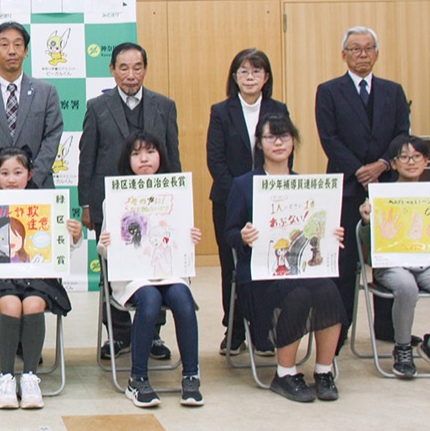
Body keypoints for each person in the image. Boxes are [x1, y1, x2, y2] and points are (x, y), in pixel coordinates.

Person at [0, 21, 64, 363]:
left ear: (26, 50)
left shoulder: (46, 92)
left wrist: (30, 180)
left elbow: (52, 137)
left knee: (33, 265)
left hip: (36, 196)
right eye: (4, 44)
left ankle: (28, 344)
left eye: (18, 44)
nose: (11, 50)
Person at [225, 113, 347, 403]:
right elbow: (228, 233)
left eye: (284, 136)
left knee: (330, 291)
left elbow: (316, 228)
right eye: (271, 137)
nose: (278, 143)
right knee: (298, 295)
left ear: (293, 142)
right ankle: (285, 373)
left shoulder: (305, 186)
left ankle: (324, 371)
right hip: (260, 274)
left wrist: (332, 234)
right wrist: (243, 236)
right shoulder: (244, 184)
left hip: (303, 269)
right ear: (259, 143)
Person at [0, 146, 82, 410]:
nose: (11, 179)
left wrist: (74, 236)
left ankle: (30, 377)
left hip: (37, 276)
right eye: (4, 173)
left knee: (33, 304)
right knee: (12, 305)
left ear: (30, 174)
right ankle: (5, 378)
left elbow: (60, 251)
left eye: (17, 172)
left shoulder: (45, 203)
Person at [79, 42, 179, 361]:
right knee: (112, 270)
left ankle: (153, 335)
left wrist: (178, 202)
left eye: (137, 67)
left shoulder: (164, 106)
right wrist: (86, 205)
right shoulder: (97, 107)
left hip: (156, 207)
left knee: (157, 266)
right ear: (112, 70)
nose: (131, 74)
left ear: (145, 69)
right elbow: (87, 158)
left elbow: (172, 157)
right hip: (110, 206)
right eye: (123, 67)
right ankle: (119, 335)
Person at [315, 26, 411, 346]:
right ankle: (339, 329)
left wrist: (383, 163)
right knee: (344, 262)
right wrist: (359, 170)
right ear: (344, 55)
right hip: (346, 186)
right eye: (355, 49)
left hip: (386, 185)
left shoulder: (393, 91)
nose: (363, 55)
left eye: (369, 48)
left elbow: (402, 132)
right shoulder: (328, 91)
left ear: (377, 54)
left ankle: (387, 328)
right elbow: (329, 138)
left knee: (386, 258)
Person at [97, 132, 203, 408]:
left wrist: (190, 237)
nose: (144, 159)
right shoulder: (116, 197)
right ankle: (138, 378)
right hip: (133, 276)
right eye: (136, 154)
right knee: (151, 299)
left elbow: (179, 239)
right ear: (127, 160)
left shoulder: (176, 194)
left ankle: (191, 375)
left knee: (182, 298)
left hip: (168, 271)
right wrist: (106, 243)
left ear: (161, 156)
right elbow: (104, 250)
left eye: (150, 152)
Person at [358, 136, 430, 378]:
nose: (410, 162)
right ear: (394, 163)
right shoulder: (381, 195)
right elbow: (367, 242)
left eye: (416, 157)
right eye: (404, 157)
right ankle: (402, 347)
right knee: (406, 287)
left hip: (426, 263)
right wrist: (368, 222)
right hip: (392, 265)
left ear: (426, 162)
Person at [206, 48, 290, 356]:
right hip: (229, 201)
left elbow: (284, 153)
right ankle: (234, 329)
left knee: (268, 263)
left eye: (256, 71)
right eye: (244, 71)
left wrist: (267, 195)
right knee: (232, 267)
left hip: (272, 202)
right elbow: (216, 160)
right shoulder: (221, 111)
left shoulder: (278, 109)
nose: (250, 77)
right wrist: (242, 195)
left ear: (266, 77)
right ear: (235, 77)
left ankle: (263, 329)